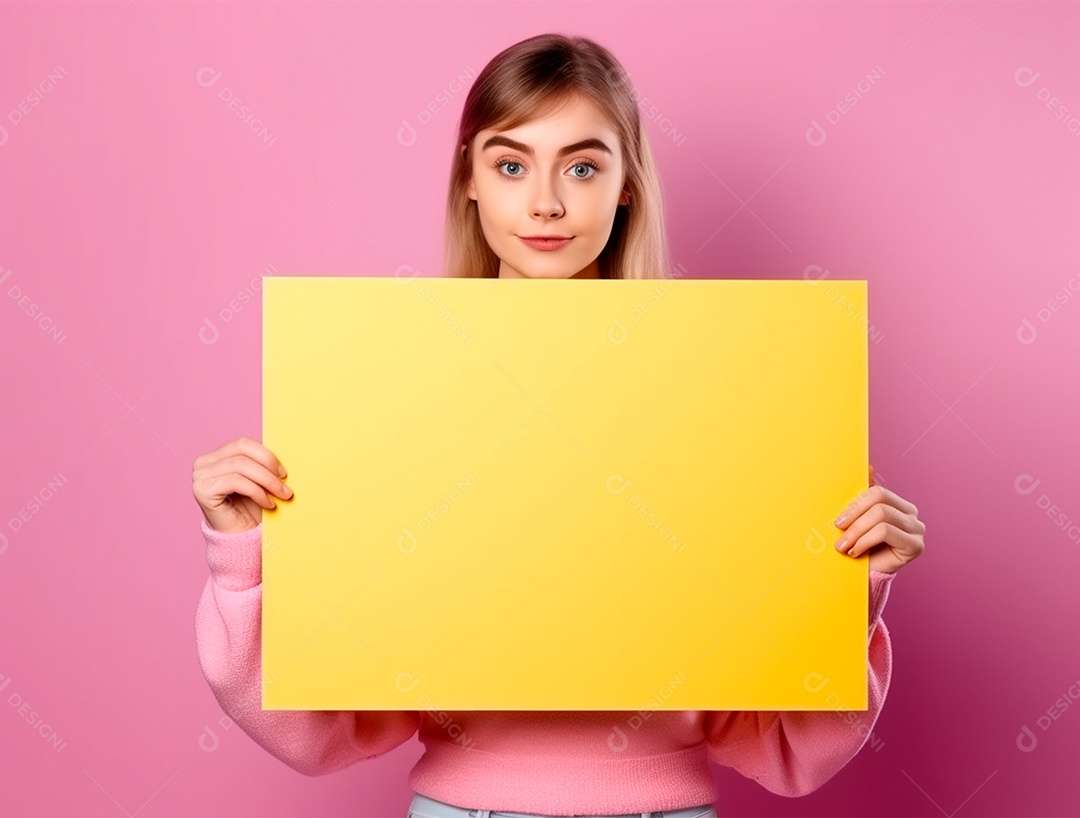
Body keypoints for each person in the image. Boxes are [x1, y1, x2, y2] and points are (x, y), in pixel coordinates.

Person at [192, 33, 927, 818]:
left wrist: (847, 589)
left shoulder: (729, 397)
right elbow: (316, 728)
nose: (545, 202)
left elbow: (786, 746)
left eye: (582, 167)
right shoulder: (391, 396)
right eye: (512, 165)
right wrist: (241, 561)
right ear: (469, 179)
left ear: (627, 185)